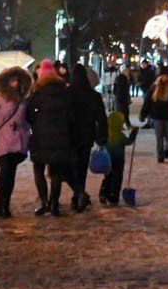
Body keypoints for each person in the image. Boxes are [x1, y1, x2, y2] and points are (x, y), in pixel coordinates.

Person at [24, 60, 85, 216]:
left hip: (40, 139)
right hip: (61, 139)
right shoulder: (65, 93)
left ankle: (43, 201)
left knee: (38, 170)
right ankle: (54, 203)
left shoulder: (37, 95)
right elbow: (73, 117)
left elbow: (29, 115)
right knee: (56, 172)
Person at [0, 66, 32, 218]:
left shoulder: (24, 100)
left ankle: (5, 204)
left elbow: (27, 120)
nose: (16, 84)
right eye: (13, 80)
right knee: (5, 171)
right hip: (3, 140)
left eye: (19, 81)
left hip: (19, 140)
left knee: (10, 173)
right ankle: (1, 205)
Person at [65, 62, 104, 212]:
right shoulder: (94, 95)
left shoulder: (67, 93)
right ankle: (78, 196)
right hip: (87, 136)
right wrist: (102, 136)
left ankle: (78, 195)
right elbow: (101, 117)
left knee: (70, 168)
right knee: (82, 168)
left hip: (71, 136)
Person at [98, 107, 133, 205]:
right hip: (118, 160)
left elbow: (100, 141)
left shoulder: (106, 135)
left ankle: (103, 193)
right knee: (117, 177)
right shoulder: (120, 135)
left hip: (107, 160)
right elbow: (129, 142)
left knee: (107, 177)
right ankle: (113, 195)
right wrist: (133, 134)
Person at [145, 67, 168, 162]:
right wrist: (144, 113)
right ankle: (160, 155)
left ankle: (167, 148)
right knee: (159, 136)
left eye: (165, 75)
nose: (164, 77)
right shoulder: (154, 87)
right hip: (157, 116)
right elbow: (148, 101)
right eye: (162, 75)